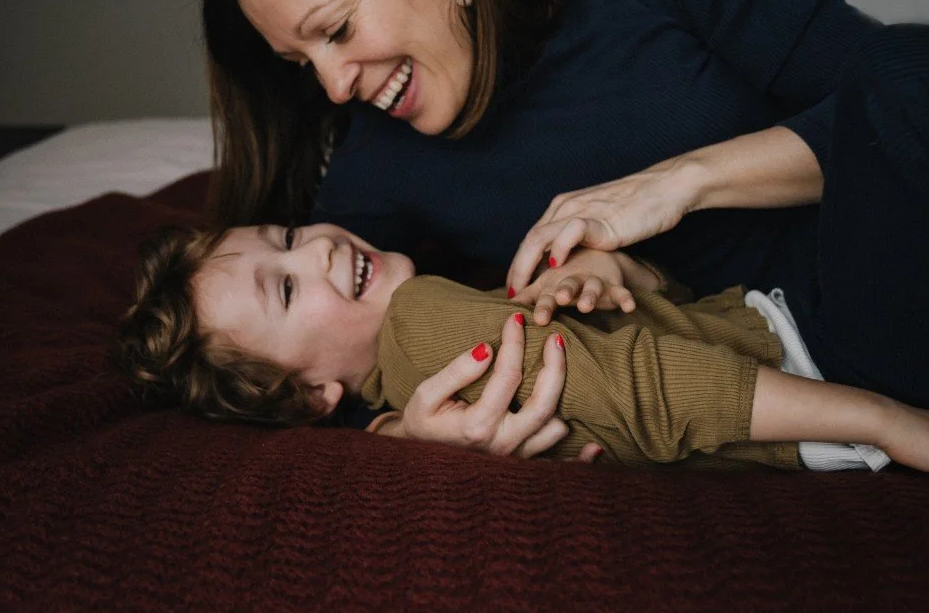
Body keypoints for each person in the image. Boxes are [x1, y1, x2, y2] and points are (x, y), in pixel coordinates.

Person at [201, 0, 929, 456]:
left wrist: (682, 184)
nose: (333, 86)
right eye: (303, 63)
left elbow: (893, 98)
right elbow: (300, 371)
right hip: (828, 352)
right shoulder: (380, 165)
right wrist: (403, 432)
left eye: (337, 29)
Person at [117, 220, 929, 472]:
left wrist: (618, 272)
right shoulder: (416, 319)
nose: (316, 249)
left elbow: (665, 339)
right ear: (307, 396)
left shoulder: (417, 393)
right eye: (286, 288)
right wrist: (888, 421)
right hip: (813, 360)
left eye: (286, 234)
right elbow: (661, 387)